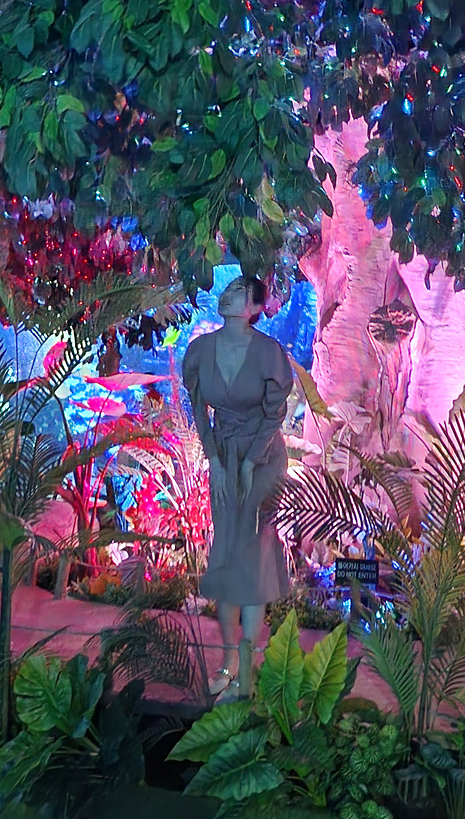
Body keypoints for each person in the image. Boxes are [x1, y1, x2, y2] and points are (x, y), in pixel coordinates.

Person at [182, 274, 291, 695]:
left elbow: (274, 414)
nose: (228, 295)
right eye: (229, 290)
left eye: (240, 292)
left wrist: (250, 461)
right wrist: (214, 458)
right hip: (225, 455)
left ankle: (248, 662)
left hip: (262, 457)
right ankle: (229, 660)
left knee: (252, 552)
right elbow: (199, 410)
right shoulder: (201, 351)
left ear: (255, 308)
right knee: (226, 551)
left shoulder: (269, 353)